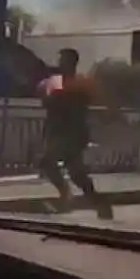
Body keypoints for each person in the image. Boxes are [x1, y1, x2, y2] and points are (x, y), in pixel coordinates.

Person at [37, 48, 113, 220]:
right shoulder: (54, 82)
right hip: (58, 131)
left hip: (73, 132)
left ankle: (67, 195)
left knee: (48, 162)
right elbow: (45, 99)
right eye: (60, 60)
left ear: (73, 62)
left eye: (63, 60)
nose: (60, 63)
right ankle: (99, 203)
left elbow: (94, 100)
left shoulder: (82, 82)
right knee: (76, 173)